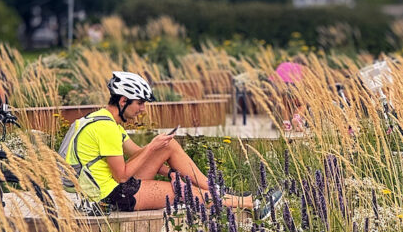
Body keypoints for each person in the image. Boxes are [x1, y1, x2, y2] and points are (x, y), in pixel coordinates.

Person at [68, 72, 276, 215]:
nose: (143, 109)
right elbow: (122, 175)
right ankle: (252, 204)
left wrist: (170, 172)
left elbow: (140, 156)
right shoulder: (105, 128)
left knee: (167, 146)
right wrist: (152, 146)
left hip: (114, 186)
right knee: (180, 191)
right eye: (139, 103)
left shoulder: (105, 120)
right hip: (109, 196)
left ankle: (221, 192)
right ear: (123, 100)